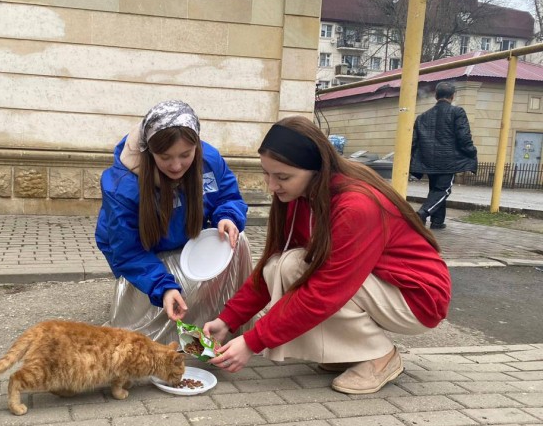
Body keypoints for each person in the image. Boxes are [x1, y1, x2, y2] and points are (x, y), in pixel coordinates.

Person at [203, 116, 452, 395]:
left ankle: (381, 356)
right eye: (266, 173)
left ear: (316, 170)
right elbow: (267, 270)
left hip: (416, 297)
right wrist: (227, 320)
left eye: (282, 177)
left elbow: (326, 290)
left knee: (299, 269)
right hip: (377, 284)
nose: (272, 185)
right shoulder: (297, 196)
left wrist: (252, 342)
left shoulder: (356, 205)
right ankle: (349, 350)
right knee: (280, 266)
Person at [95, 100, 251, 344]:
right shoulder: (122, 185)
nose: (176, 166)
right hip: (141, 255)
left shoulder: (209, 159)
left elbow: (229, 197)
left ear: (197, 147)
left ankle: (223, 320)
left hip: (185, 242)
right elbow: (126, 252)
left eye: (185, 155)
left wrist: (228, 216)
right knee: (151, 322)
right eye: (165, 157)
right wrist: (164, 287)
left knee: (238, 239)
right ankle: (164, 321)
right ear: (149, 152)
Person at [411, 81, 478, 229]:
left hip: (428, 160)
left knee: (435, 189)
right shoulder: (457, 112)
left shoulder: (422, 117)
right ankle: (422, 213)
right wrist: (472, 151)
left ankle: (437, 221)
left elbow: (414, 141)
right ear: (453, 96)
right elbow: (464, 137)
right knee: (443, 190)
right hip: (448, 161)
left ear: (436, 96)